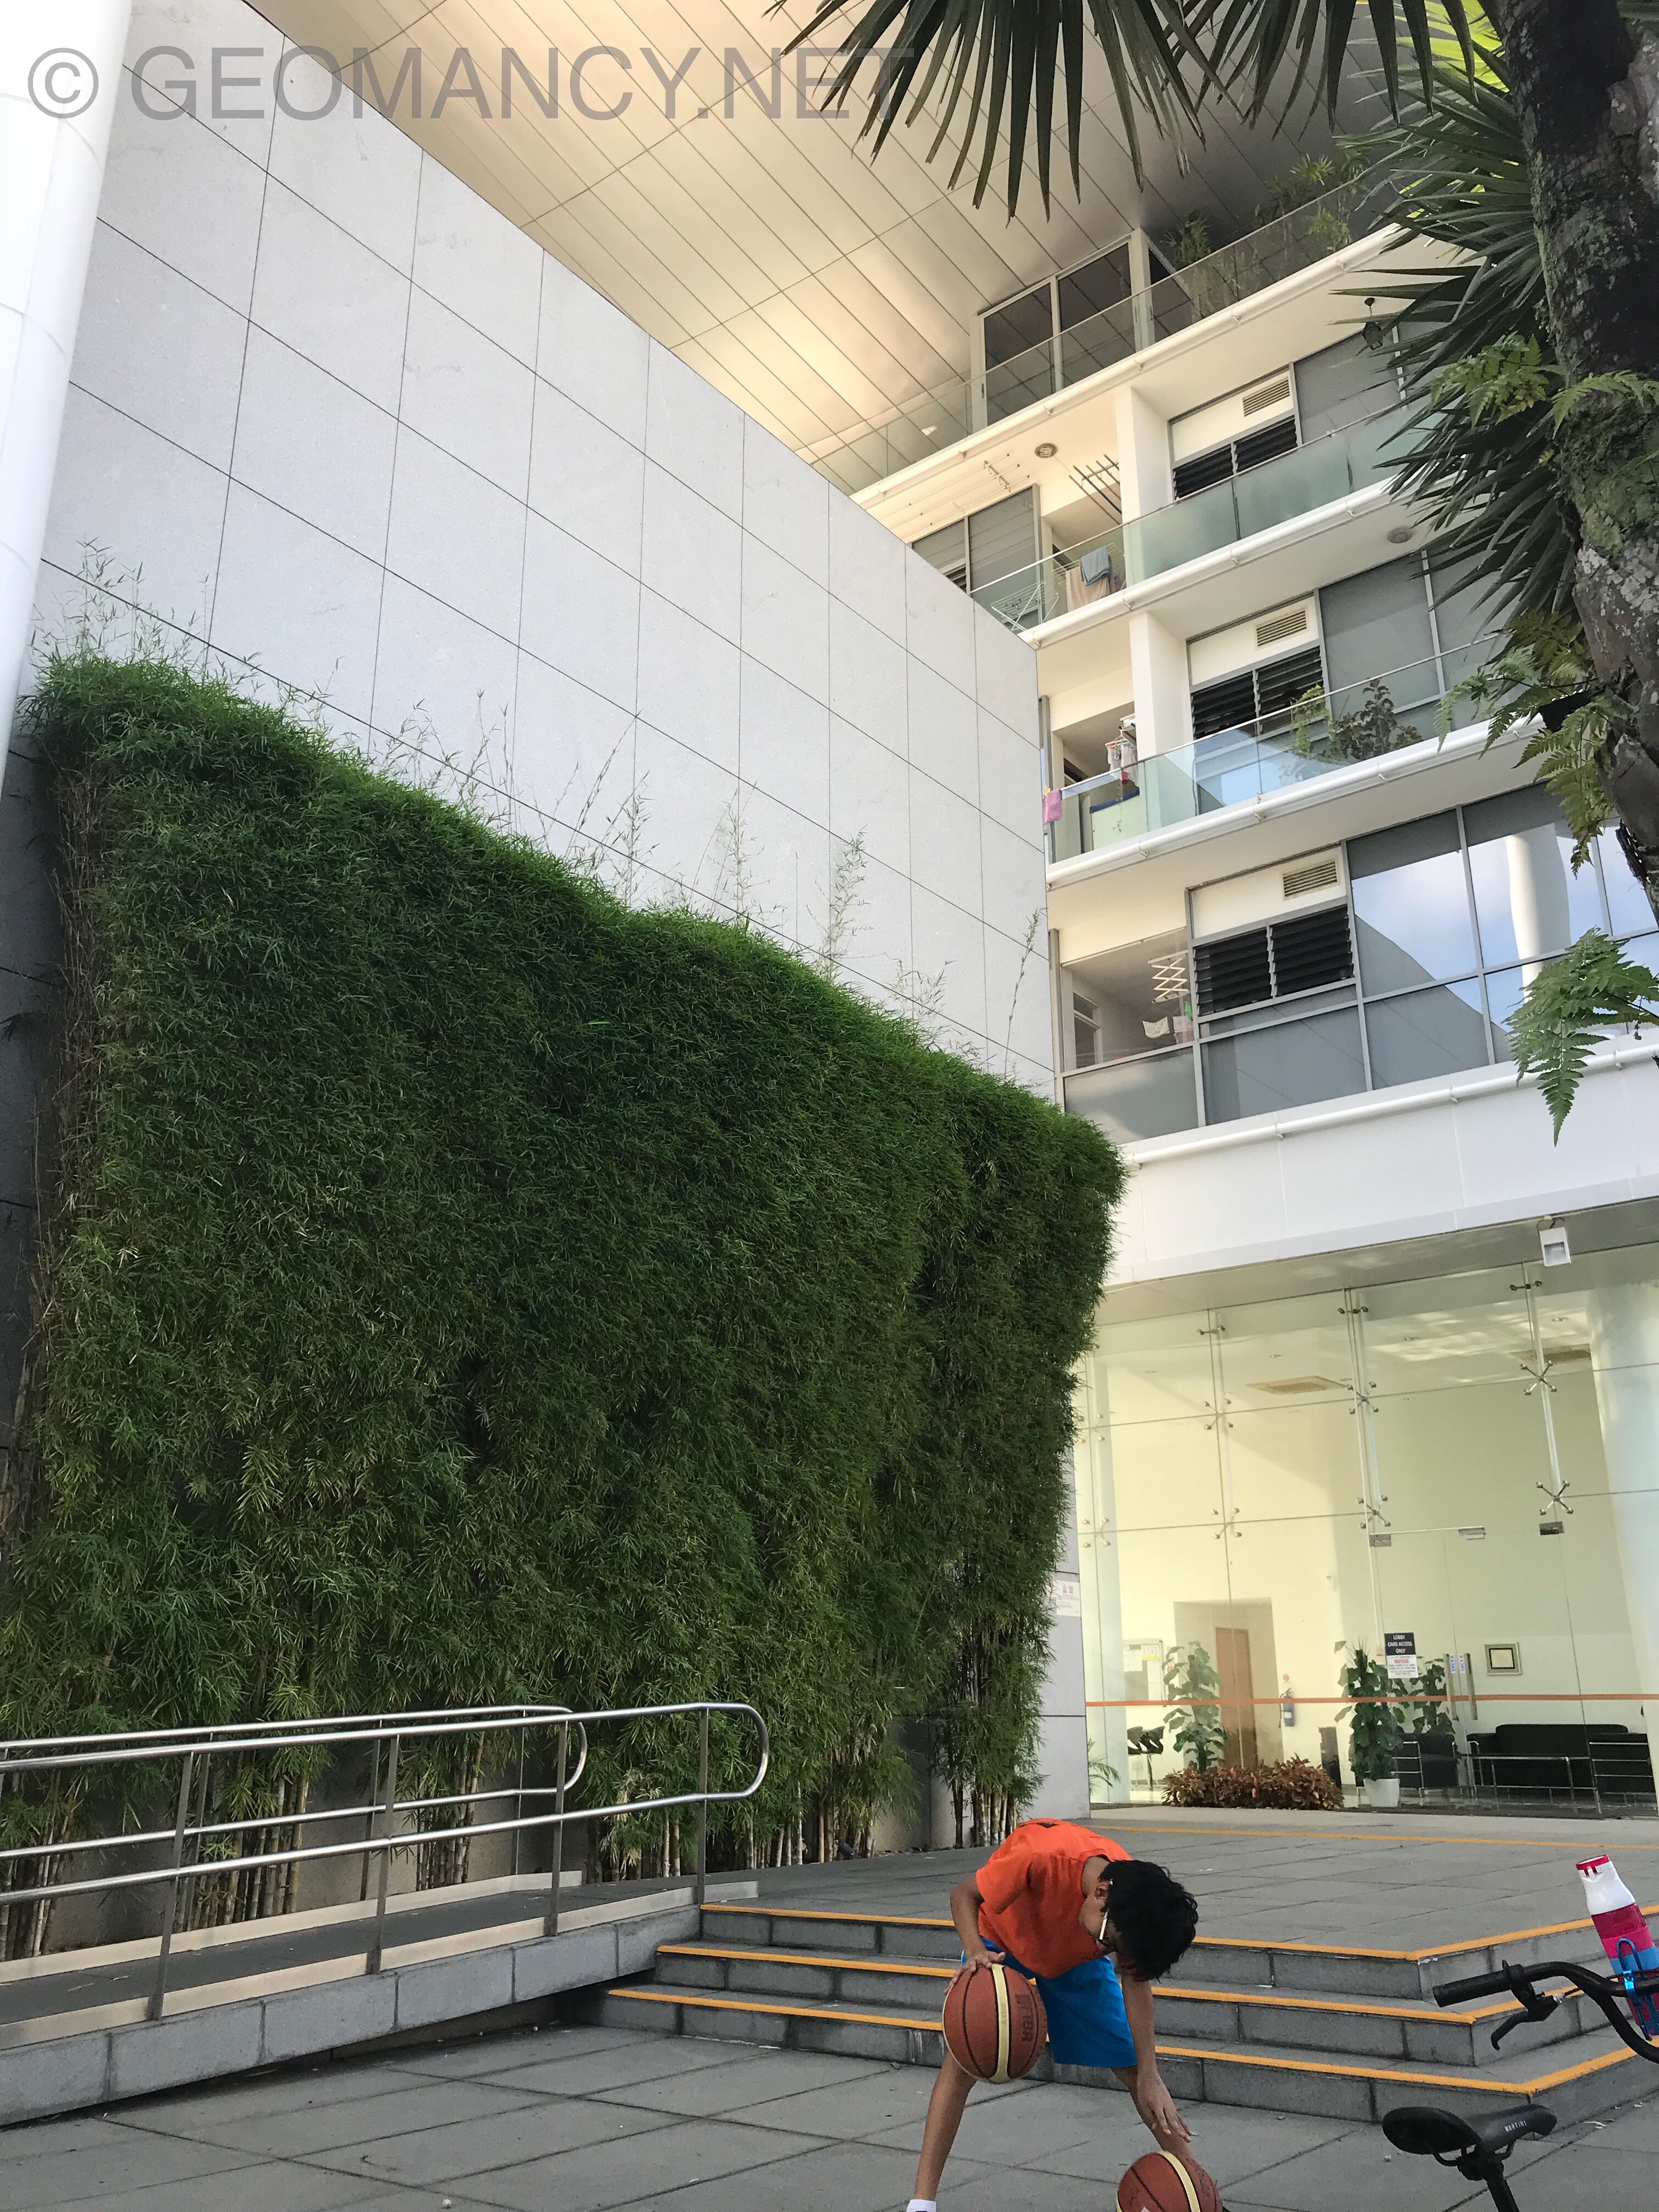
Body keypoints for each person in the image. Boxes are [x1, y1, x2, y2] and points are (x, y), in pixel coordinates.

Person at [906, 1819, 1200, 2211]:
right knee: (964, 2058)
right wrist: (975, 1952)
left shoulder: (1135, 1904)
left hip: (1070, 1960)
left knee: (1135, 2071)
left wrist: (1151, 2073)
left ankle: (1199, 2196)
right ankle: (921, 2203)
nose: (1110, 1951)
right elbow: (964, 1894)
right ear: (1099, 1893)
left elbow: (1136, 1982)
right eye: (1109, 1943)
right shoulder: (1041, 1857)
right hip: (1001, 1939)